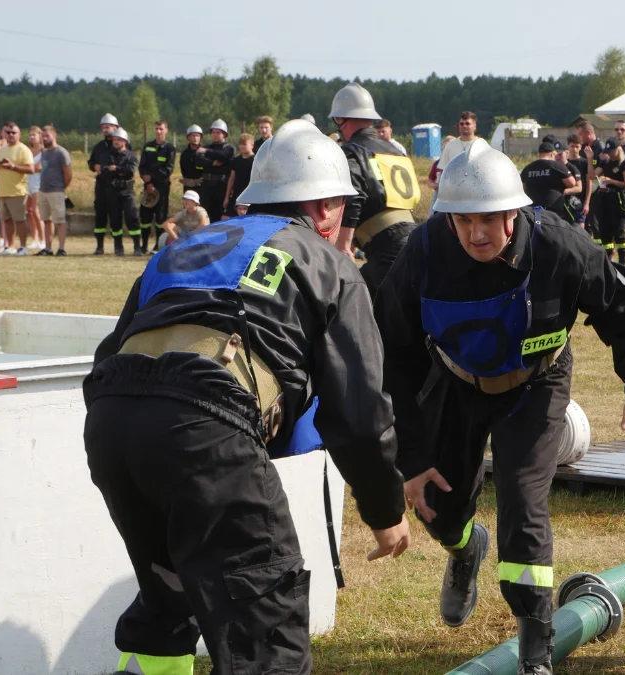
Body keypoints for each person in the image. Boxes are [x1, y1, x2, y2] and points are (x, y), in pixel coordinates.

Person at [83, 119, 410, 675]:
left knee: (168, 599)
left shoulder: (183, 248)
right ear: (328, 208)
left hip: (114, 425)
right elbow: (359, 413)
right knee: (267, 628)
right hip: (205, 425)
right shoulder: (326, 261)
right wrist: (384, 509)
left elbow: (110, 356)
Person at [374, 139, 625, 675]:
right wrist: (410, 456)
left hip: (537, 385)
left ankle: (535, 644)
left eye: (492, 219)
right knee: (439, 504)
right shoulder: (424, 252)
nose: (478, 234)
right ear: (448, 219)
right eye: (464, 222)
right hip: (456, 384)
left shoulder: (559, 246)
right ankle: (464, 550)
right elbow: (394, 354)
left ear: (516, 211)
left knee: (524, 505)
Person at [328, 82, 421, 293]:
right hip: (414, 242)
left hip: (385, 251)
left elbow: (354, 196)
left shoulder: (351, 151)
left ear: (341, 119)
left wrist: (343, 246)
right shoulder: (395, 150)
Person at [0, 122, 37, 256]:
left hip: (17, 190)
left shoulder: (23, 149)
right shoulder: (2, 150)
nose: (10, 135)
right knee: (6, 220)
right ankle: (10, 246)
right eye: (8, 132)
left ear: (19, 134)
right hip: (2, 190)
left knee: (20, 220)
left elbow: (31, 169)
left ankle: (23, 247)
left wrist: (12, 167)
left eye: (14, 133)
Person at [101, 127, 143, 256]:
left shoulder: (131, 155)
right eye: (114, 139)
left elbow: (130, 170)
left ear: (125, 141)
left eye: (119, 139)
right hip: (112, 191)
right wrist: (119, 171)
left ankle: (137, 246)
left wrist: (116, 169)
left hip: (127, 191)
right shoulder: (108, 155)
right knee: (115, 220)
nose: (116, 142)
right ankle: (118, 246)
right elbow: (104, 170)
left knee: (132, 218)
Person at [138, 120, 177, 254]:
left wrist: (152, 179)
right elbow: (142, 167)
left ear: (166, 131)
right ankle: (143, 245)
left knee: (161, 218)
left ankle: (157, 246)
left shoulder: (170, 149)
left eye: (161, 129)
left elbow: (168, 170)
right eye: (156, 129)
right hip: (148, 188)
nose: (158, 131)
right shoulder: (147, 146)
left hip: (162, 188)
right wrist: (148, 183)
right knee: (145, 218)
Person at [36, 125, 72, 256]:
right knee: (46, 220)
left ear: (54, 136)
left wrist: (61, 188)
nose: (44, 139)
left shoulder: (61, 152)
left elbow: (68, 174)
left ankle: (61, 248)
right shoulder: (44, 153)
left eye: (47, 136)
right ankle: (48, 247)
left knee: (60, 220)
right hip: (43, 190)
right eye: (43, 136)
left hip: (56, 190)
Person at [520, 137, 576, 221]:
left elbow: (523, 188)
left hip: (533, 209)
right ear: (552, 154)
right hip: (553, 208)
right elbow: (572, 183)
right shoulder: (557, 166)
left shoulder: (527, 168)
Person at [595, 139, 625, 265]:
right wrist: (591, 159)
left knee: (619, 231)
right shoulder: (606, 162)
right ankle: (608, 259)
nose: (610, 154)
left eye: (612, 151)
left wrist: (611, 181)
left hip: (618, 198)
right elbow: (591, 176)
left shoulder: (624, 164)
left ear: (618, 149)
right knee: (605, 231)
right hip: (605, 197)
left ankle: (622, 262)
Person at [89, 113, 121, 255]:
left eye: (108, 127)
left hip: (115, 187)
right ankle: (99, 246)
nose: (105, 130)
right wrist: (94, 166)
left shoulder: (122, 146)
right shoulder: (99, 147)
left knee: (115, 217)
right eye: (103, 127)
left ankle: (118, 246)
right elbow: (91, 162)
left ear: (116, 127)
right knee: (100, 217)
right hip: (101, 186)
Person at [197, 120, 235, 224]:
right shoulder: (207, 147)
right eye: (213, 132)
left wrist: (206, 153)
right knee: (206, 214)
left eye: (218, 132)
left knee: (220, 214)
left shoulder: (229, 148)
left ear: (224, 134)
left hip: (221, 186)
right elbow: (198, 160)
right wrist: (212, 163)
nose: (215, 135)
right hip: (206, 186)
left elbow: (224, 156)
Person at [574, 122, 605, 234]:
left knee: (596, 223)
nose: (579, 138)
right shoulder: (582, 148)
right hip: (585, 188)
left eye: (581, 135)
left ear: (588, 133)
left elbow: (599, 172)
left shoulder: (600, 148)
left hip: (598, 190)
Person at [224, 133, 256, 218]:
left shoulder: (255, 160)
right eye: (240, 144)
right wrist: (227, 197)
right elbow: (232, 178)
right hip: (237, 194)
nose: (242, 147)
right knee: (226, 217)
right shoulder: (236, 160)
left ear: (252, 145)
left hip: (250, 195)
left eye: (245, 144)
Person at [26, 126, 45, 249]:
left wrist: (28, 168)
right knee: (29, 212)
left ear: (40, 136)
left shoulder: (44, 151)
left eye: (34, 135)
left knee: (36, 211)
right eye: (30, 135)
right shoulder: (27, 150)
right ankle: (34, 238)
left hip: (38, 183)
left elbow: (39, 167)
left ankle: (43, 239)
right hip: (27, 182)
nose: (32, 137)